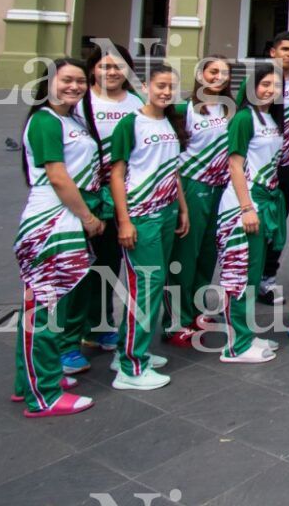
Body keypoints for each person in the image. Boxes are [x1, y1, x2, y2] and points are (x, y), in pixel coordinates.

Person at [13, 58, 102, 417]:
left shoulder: (71, 118)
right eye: (67, 80)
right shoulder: (44, 121)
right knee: (44, 311)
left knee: (47, 307)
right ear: (49, 82)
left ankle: (30, 381)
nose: (75, 87)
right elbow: (58, 176)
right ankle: (44, 395)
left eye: (80, 81)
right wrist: (88, 217)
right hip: (51, 220)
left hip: (65, 220)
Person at [107, 64, 190, 390]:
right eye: (160, 86)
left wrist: (182, 208)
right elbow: (116, 174)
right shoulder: (130, 124)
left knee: (153, 285)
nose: (166, 92)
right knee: (146, 287)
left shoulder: (171, 121)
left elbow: (173, 170)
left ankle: (128, 351)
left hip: (168, 212)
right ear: (145, 87)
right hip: (141, 215)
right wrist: (124, 220)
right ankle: (131, 366)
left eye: (171, 87)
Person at [74, 45, 143, 357]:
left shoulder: (136, 102)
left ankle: (101, 326)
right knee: (80, 265)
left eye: (119, 66)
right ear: (92, 69)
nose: (113, 72)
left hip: (123, 197)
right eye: (105, 66)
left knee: (109, 262)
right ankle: (71, 333)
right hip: (85, 195)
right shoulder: (79, 101)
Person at [214, 63, 284, 364]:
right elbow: (235, 165)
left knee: (253, 275)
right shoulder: (244, 118)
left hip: (265, 200)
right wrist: (246, 208)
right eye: (264, 84)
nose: (269, 89)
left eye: (274, 85)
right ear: (251, 87)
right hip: (245, 204)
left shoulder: (269, 117)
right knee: (239, 275)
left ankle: (246, 334)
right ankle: (236, 345)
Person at [165, 56, 233, 346]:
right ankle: (175, 321)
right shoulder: (184, 110)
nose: (218, 77)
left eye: (224, 73)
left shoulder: (230, 109)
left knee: (208, 253)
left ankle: (196, 309)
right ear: (201, 74)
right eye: (213, 71)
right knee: (185, 255)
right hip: (193, 186)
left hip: (221, 187)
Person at [257, 31, 289, 305]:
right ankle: (247, 278)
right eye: (285, 49)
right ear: (273, 51)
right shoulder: (259, 81)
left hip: (288, 165)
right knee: (256, 226)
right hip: (259, 168)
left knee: (278, 227)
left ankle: (267, 279)